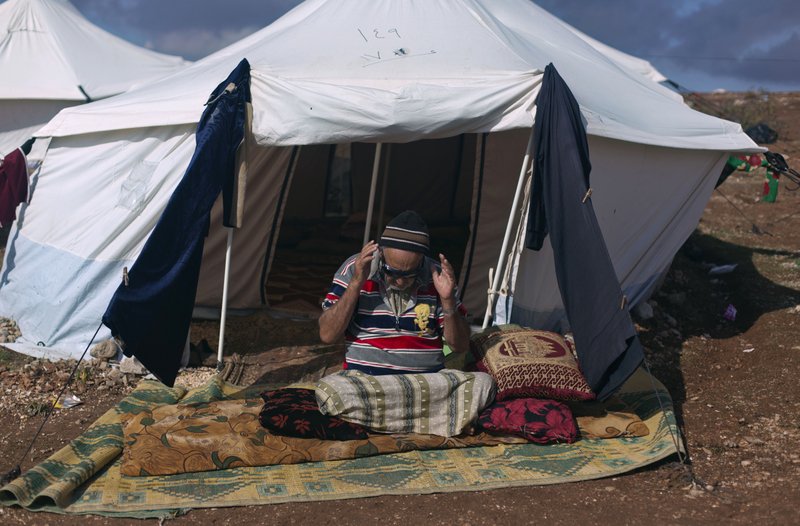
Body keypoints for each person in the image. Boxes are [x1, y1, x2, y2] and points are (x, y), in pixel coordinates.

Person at [319, 210, 471, 374]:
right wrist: (356, 283)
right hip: (365, 382)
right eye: (392, 272)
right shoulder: (356, 268)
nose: (399, 281)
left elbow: (460, 346)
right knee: (333, 388)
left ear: (421, 262)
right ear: (381, 253)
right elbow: (327, 335)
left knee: (482, 383)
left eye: (408, 275)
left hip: (425, 384)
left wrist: (448, 301)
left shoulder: (438, 276)